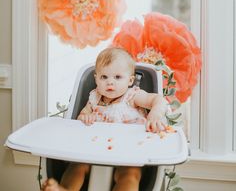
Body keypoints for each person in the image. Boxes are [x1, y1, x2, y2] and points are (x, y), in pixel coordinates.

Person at [42, 47, 168, 191]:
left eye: (117, 77)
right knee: (77, 166)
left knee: (130, 175)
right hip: (94, 152)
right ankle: (65, 188)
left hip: (130, 153)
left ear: (130, 80)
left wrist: (155, 115)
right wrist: (85, 117)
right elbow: (80, 119)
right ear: (96, 78)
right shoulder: (94, 98)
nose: (110, 82)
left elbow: (158, 100)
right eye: (104, 77)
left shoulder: (132, 96)